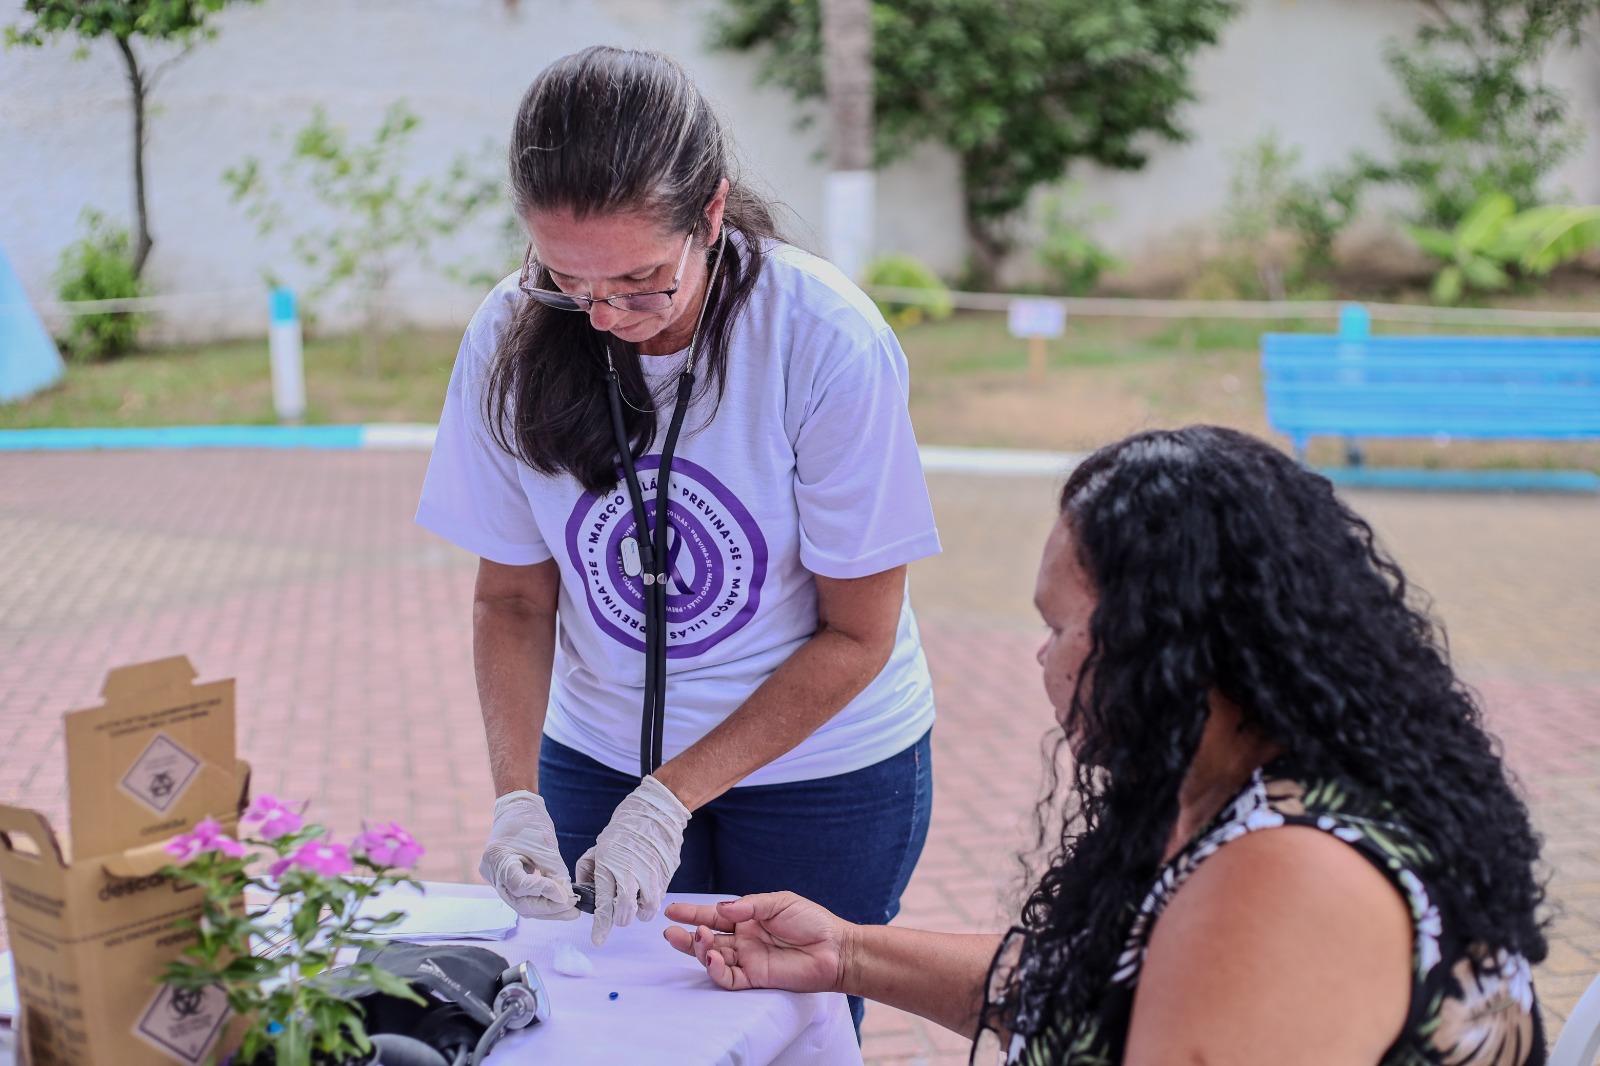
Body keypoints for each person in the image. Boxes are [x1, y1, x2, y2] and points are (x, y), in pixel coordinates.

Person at [665, 425, 1549, 1066]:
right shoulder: (1240, 792)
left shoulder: (1292, 879)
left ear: (1169, 646)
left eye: (1059, 629)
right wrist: (848, 955)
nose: (1042, 657)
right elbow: (1098, 991)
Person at [414, 45, 940, 1025]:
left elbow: (858, 633)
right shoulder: (507, 331)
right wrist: (513, 795)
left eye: (644, 281)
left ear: (710, 214)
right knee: (605, 1024)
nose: (606, 315)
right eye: (569, 280)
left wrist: (668, 800)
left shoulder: (821, 335)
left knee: (791, 1025)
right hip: (597, 747)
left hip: (820, 771)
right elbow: (513, 597)